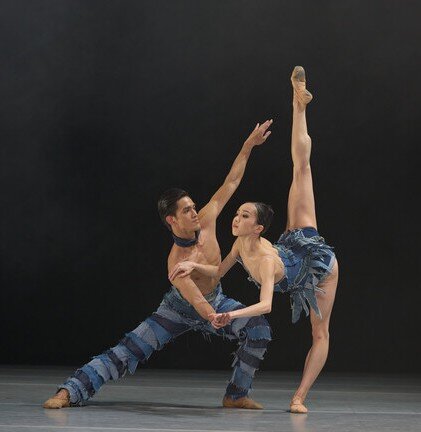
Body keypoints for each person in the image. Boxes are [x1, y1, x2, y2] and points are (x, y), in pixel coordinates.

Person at [43, 120, 274, 410]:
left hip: (217, 301)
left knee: (258, 328)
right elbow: (197, 302)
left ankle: (236, 395)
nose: (194, 213)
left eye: (193, 207)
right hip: (178, 310)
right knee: (127, 351)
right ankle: (69, 391)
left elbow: (232, 181)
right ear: (172, 220)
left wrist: (248, 145)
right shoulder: (176, 262)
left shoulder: (209, 219)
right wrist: (213, 316)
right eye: (187, 211)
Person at [169, 67, 339, 414]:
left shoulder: (262, 260)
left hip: (320, 267)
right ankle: (300, 103)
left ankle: (299, 397)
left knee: (319, 333)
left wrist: (231, 317)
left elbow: (265, 307)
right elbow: (217, 271)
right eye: (238, 213)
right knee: (301, 167)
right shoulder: (239, 245)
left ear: (258, 228)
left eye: (244, 216)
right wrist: (192, 264)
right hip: (296, 242)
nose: (235, 217)